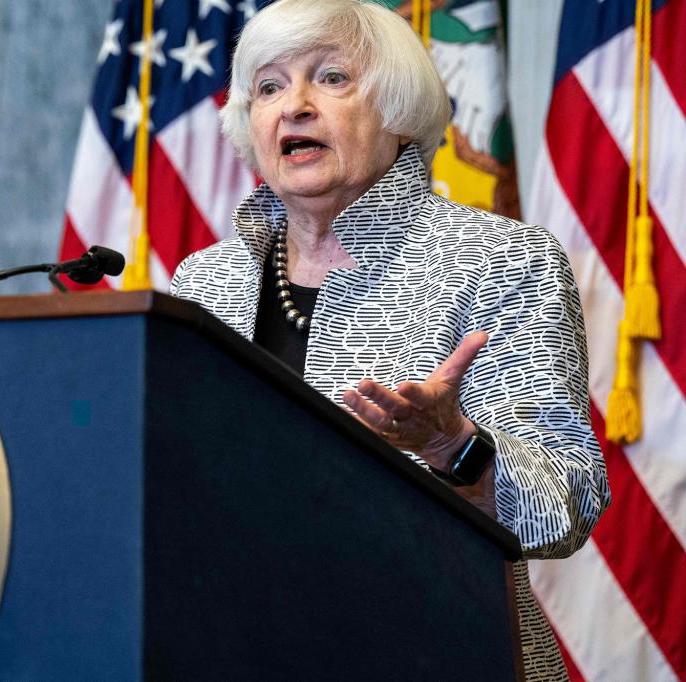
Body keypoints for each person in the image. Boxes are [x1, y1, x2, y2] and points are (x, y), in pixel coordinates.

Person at [169, 0, 610, 679]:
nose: (294, 106)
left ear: (400, 113)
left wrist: (456, 448)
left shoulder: (501, 259)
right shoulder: (205, 282)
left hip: (445, 654)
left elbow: (568, 504)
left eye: (332, 78)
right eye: (268, 86)